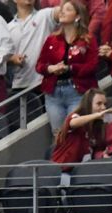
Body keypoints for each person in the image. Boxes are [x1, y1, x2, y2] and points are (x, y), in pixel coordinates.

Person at [36, 0, 96, 130]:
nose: (62, 11)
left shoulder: (87, 39)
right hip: (54, 93)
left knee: (77, 131)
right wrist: (50, 68)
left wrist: (70, 68)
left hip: (77, 91)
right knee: (58, 134)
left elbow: (92, 65)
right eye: (62, 9)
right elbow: (39, 65)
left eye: (68, 9)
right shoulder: (52, 39)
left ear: (78, 16)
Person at [51, 86, 110, 165]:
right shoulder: (76, 116)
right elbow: (73, 123)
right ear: (88, 104)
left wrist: (102, 155)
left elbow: (96, 152)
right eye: (99, 104)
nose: (103, 107)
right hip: (62, 170)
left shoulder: (98, 128)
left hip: (82, 171)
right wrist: (97, 115)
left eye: (104, 104)